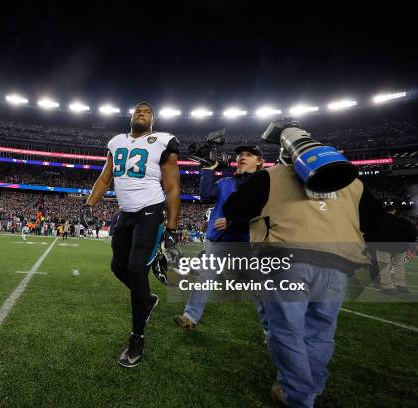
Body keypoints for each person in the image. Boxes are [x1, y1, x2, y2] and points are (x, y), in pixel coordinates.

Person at [223, 125, 385, 408]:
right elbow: (376, 221)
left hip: (288, 258)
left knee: (286, 330)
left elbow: (234, 208)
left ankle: (297, 396)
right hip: (339, 262)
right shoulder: (353, 183)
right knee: (321, 332)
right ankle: (314, 387)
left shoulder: (271, 176)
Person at [82, 102, 181, 367]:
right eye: (138, 110)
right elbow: (105, 177)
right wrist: (89, 204)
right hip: (125, 214)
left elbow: (172, 186)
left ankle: (137, 337)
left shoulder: (163, 141)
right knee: (118, 267)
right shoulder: (116, 142)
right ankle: (146, 299)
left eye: (148, 111)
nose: (142, 113)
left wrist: (171, 227)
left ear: (153, 120)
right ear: (130, 116)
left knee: (137, 270)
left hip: (150, 211)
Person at [174, 145, 264, 331]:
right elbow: (205, 194)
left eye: (249, 154)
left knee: (259, 287)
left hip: (247, 240)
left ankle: (272, 330)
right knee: (205, 278)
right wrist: (208, 169)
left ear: (259, 161)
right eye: (240, 154)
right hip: (218, 239)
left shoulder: (264, 185)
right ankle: (190, 316)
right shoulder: (226, 182)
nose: (242, 157)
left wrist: (234, 221)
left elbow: (264, 212)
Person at [375, 205, 417, 294]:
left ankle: (387, 287)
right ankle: (401, 285)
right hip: (400, 247)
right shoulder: (403, 221)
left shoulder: (378, 221)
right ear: (394, 210)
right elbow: (413, 233)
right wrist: (409, 244)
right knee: (399, 265)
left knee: (384, 266)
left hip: (383, 246)